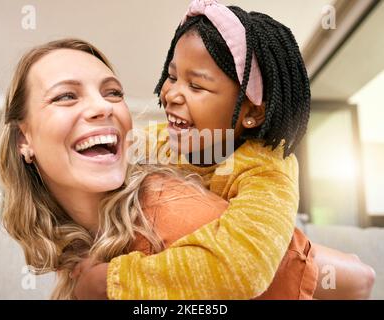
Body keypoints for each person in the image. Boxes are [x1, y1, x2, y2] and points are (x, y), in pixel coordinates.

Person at [73, 1, 375, 300]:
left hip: (282, 267)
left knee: (357, 277)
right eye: (172, 75)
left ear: (252, 112)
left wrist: (114, 282)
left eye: (197, 86)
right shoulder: (158, 141)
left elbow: (244, 269)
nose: (172, 94)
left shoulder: (267, 168)